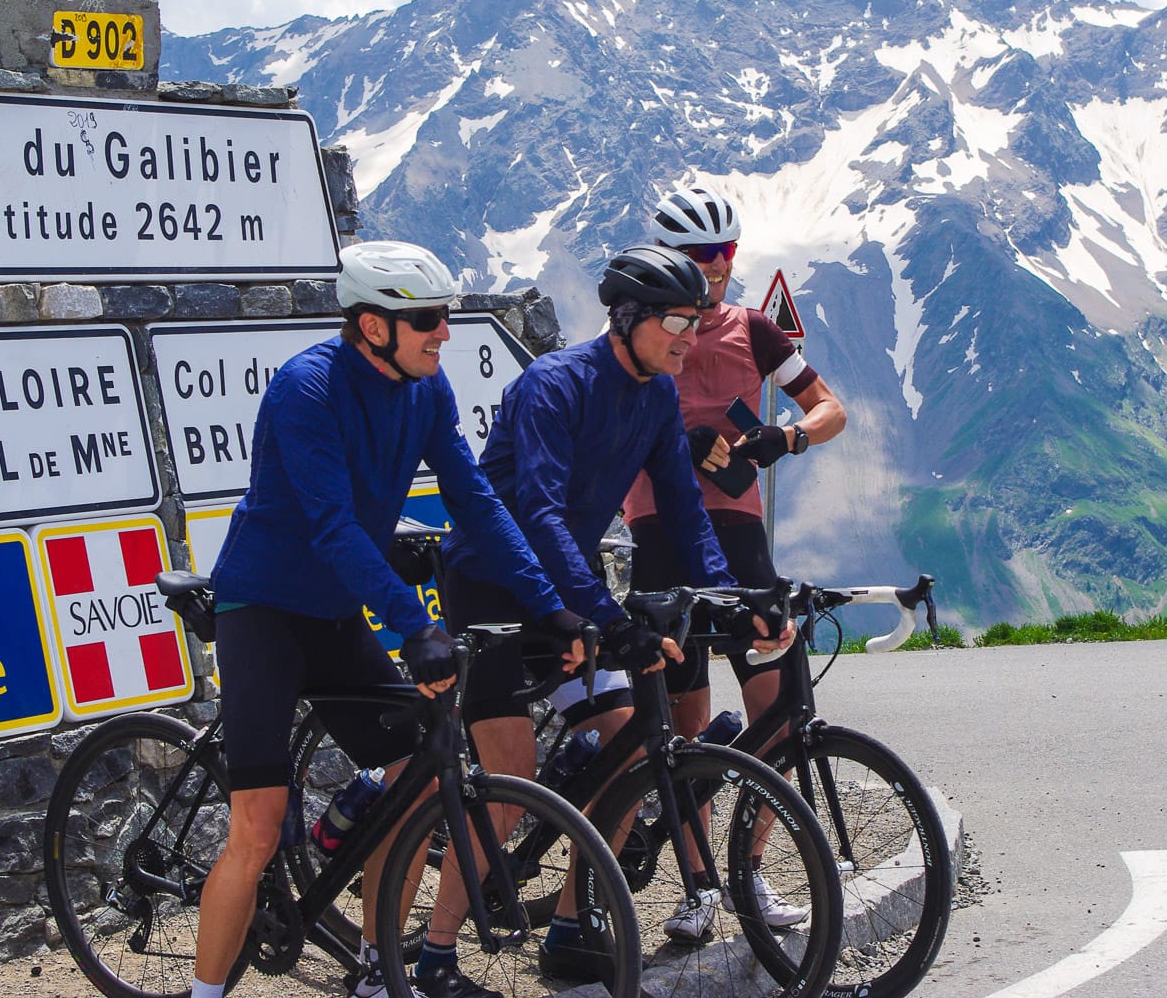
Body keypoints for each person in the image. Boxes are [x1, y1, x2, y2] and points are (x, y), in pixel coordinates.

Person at [191, 241, 589, 998]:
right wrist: (416, 626)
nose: (445, 333)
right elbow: (334, 526)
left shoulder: (425, 390)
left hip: (336, 611)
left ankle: (380, 971)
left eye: (445, 318)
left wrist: (550, 606)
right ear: (374, 327)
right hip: (265, 610)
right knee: (259, 827)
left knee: (411, 780)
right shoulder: (305, 389)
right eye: (428, 321)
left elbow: (476, 500)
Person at [435, 245, 791, 978]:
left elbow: (688, 511)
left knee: (630, 739)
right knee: (509, 774)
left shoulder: (656, 393)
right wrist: (609, 617)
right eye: (675, 322)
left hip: (566, 583)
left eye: (697, 322)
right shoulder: (553, 386)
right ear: (627, 319)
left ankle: (573, 921)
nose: (689, 339)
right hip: (490, 584)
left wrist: (732, 598)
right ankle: (435, 952)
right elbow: (537, 513)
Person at [622, 185, 847, 940]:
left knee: (778, 718)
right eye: (695, 255)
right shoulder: (639, 329)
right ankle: (698, 888)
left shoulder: (753, 330)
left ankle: (749, 873)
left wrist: (790, 438)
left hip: (742, 542)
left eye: (722, 253)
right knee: (684, 730)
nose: (712, 267)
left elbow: (831, 409)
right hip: (660, 537)